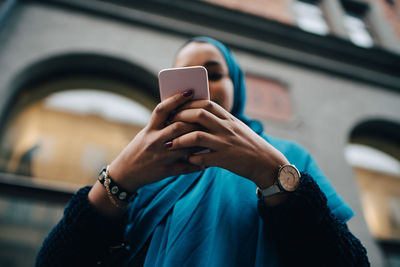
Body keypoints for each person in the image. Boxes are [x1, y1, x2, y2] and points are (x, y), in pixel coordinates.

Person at [35, 36, 369, 267]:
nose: (204, 86)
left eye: (216, 73)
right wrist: (119, 177)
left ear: (236, 86)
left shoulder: (286, 155)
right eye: (186, 76)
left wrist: (271, 173)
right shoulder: (145, 165)